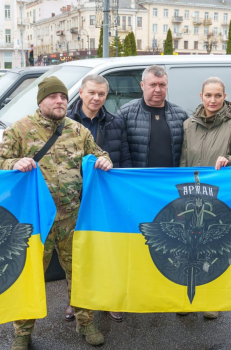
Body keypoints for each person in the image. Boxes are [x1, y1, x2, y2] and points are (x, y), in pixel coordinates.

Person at [0, 76, 112, 350]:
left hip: (72, 217)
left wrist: (104, 160)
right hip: (35, 221)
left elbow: (99, 155)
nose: (59, 101)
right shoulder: (19, 130)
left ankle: (85, 322)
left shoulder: (79, 131)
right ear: (41, 100)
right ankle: (23, 332)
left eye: (63, 98)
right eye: (53, 97)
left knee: (80, 273)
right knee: (29, 276)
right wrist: (13, 162)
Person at [177, 76, 231, 320]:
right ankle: (188, 297)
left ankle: (212, 298)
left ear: (224, 96)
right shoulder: (189, 125)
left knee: (214, 250)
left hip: (219, 198)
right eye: (208, 95)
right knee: (188, 246)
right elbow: (184, 162)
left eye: (218, 95)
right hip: (192, 196)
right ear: (201, 96)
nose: (213, 100)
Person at [65, 74, 130, 323]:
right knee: (77, 250)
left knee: (109, 248)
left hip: (105, 198)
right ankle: (77, 300)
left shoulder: (114, 122)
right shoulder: (65, 122)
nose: (96, 98)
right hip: (74, 197)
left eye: (101, 94)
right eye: (91, 92)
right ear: (80, 92)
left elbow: (123, 159)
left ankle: (112, 299)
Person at [116, 65, 188, 168]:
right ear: (142, 85)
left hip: (171, 180)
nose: (158, 89)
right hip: (139, 180)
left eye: (162, 85)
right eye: (153, 85)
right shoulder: (126, 114)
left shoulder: (180, 115)